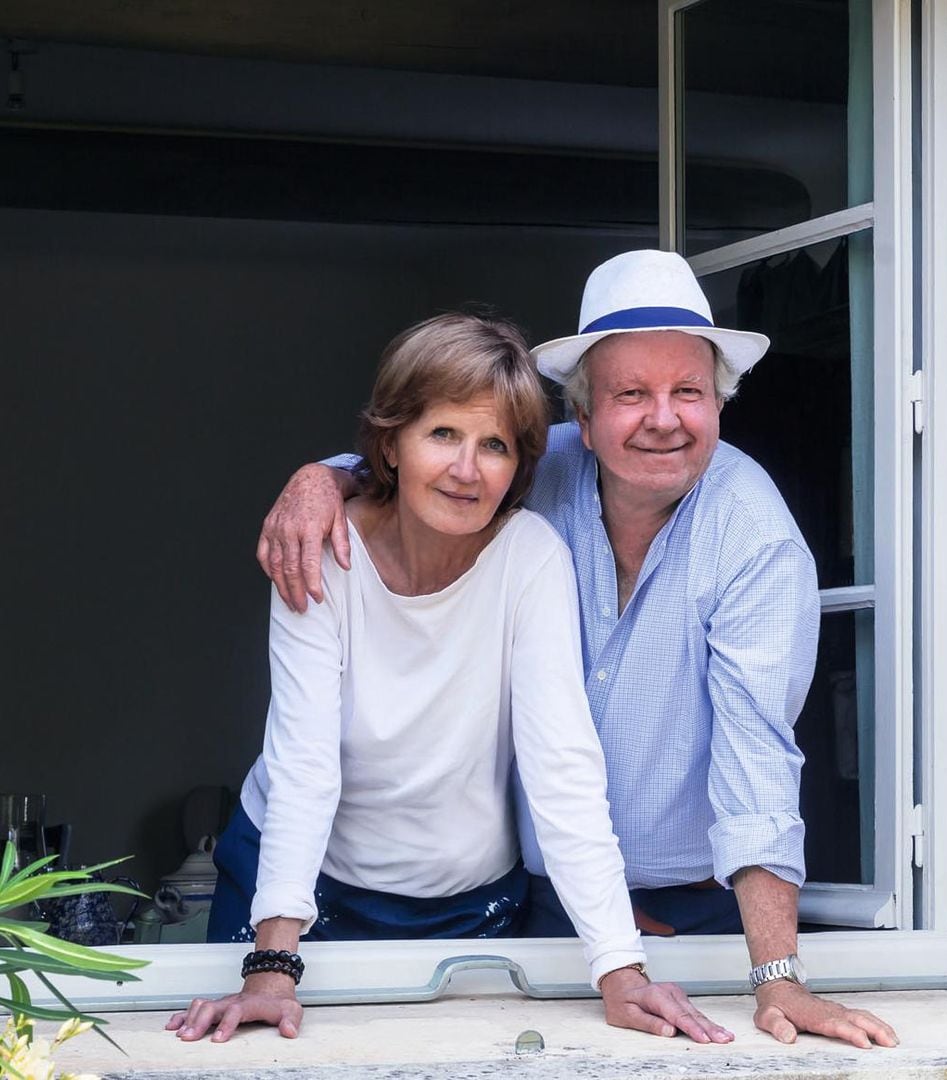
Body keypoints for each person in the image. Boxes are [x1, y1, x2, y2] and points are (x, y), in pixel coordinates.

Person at [257, 252, 899, 1050]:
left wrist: (776, 977)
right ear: (584, 420)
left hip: (700, 899)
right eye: (632, 394)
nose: (662, 419)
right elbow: (432, 456)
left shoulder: (755, 541)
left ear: (720, 406)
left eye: (688, 393)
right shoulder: (537, 467)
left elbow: (757, 762)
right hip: (551, 894)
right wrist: (320, 477)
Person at [167, 311, 732, 1045]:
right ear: (392, 443)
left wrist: (621, 971)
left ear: (519, 467)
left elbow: (561, 765)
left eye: (494, 445)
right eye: (443, 435)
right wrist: (272, 964)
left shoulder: (530, 557)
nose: (468, 469)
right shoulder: (322, 549)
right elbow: (305, 762)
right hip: (292, 892)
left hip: (469, 906)